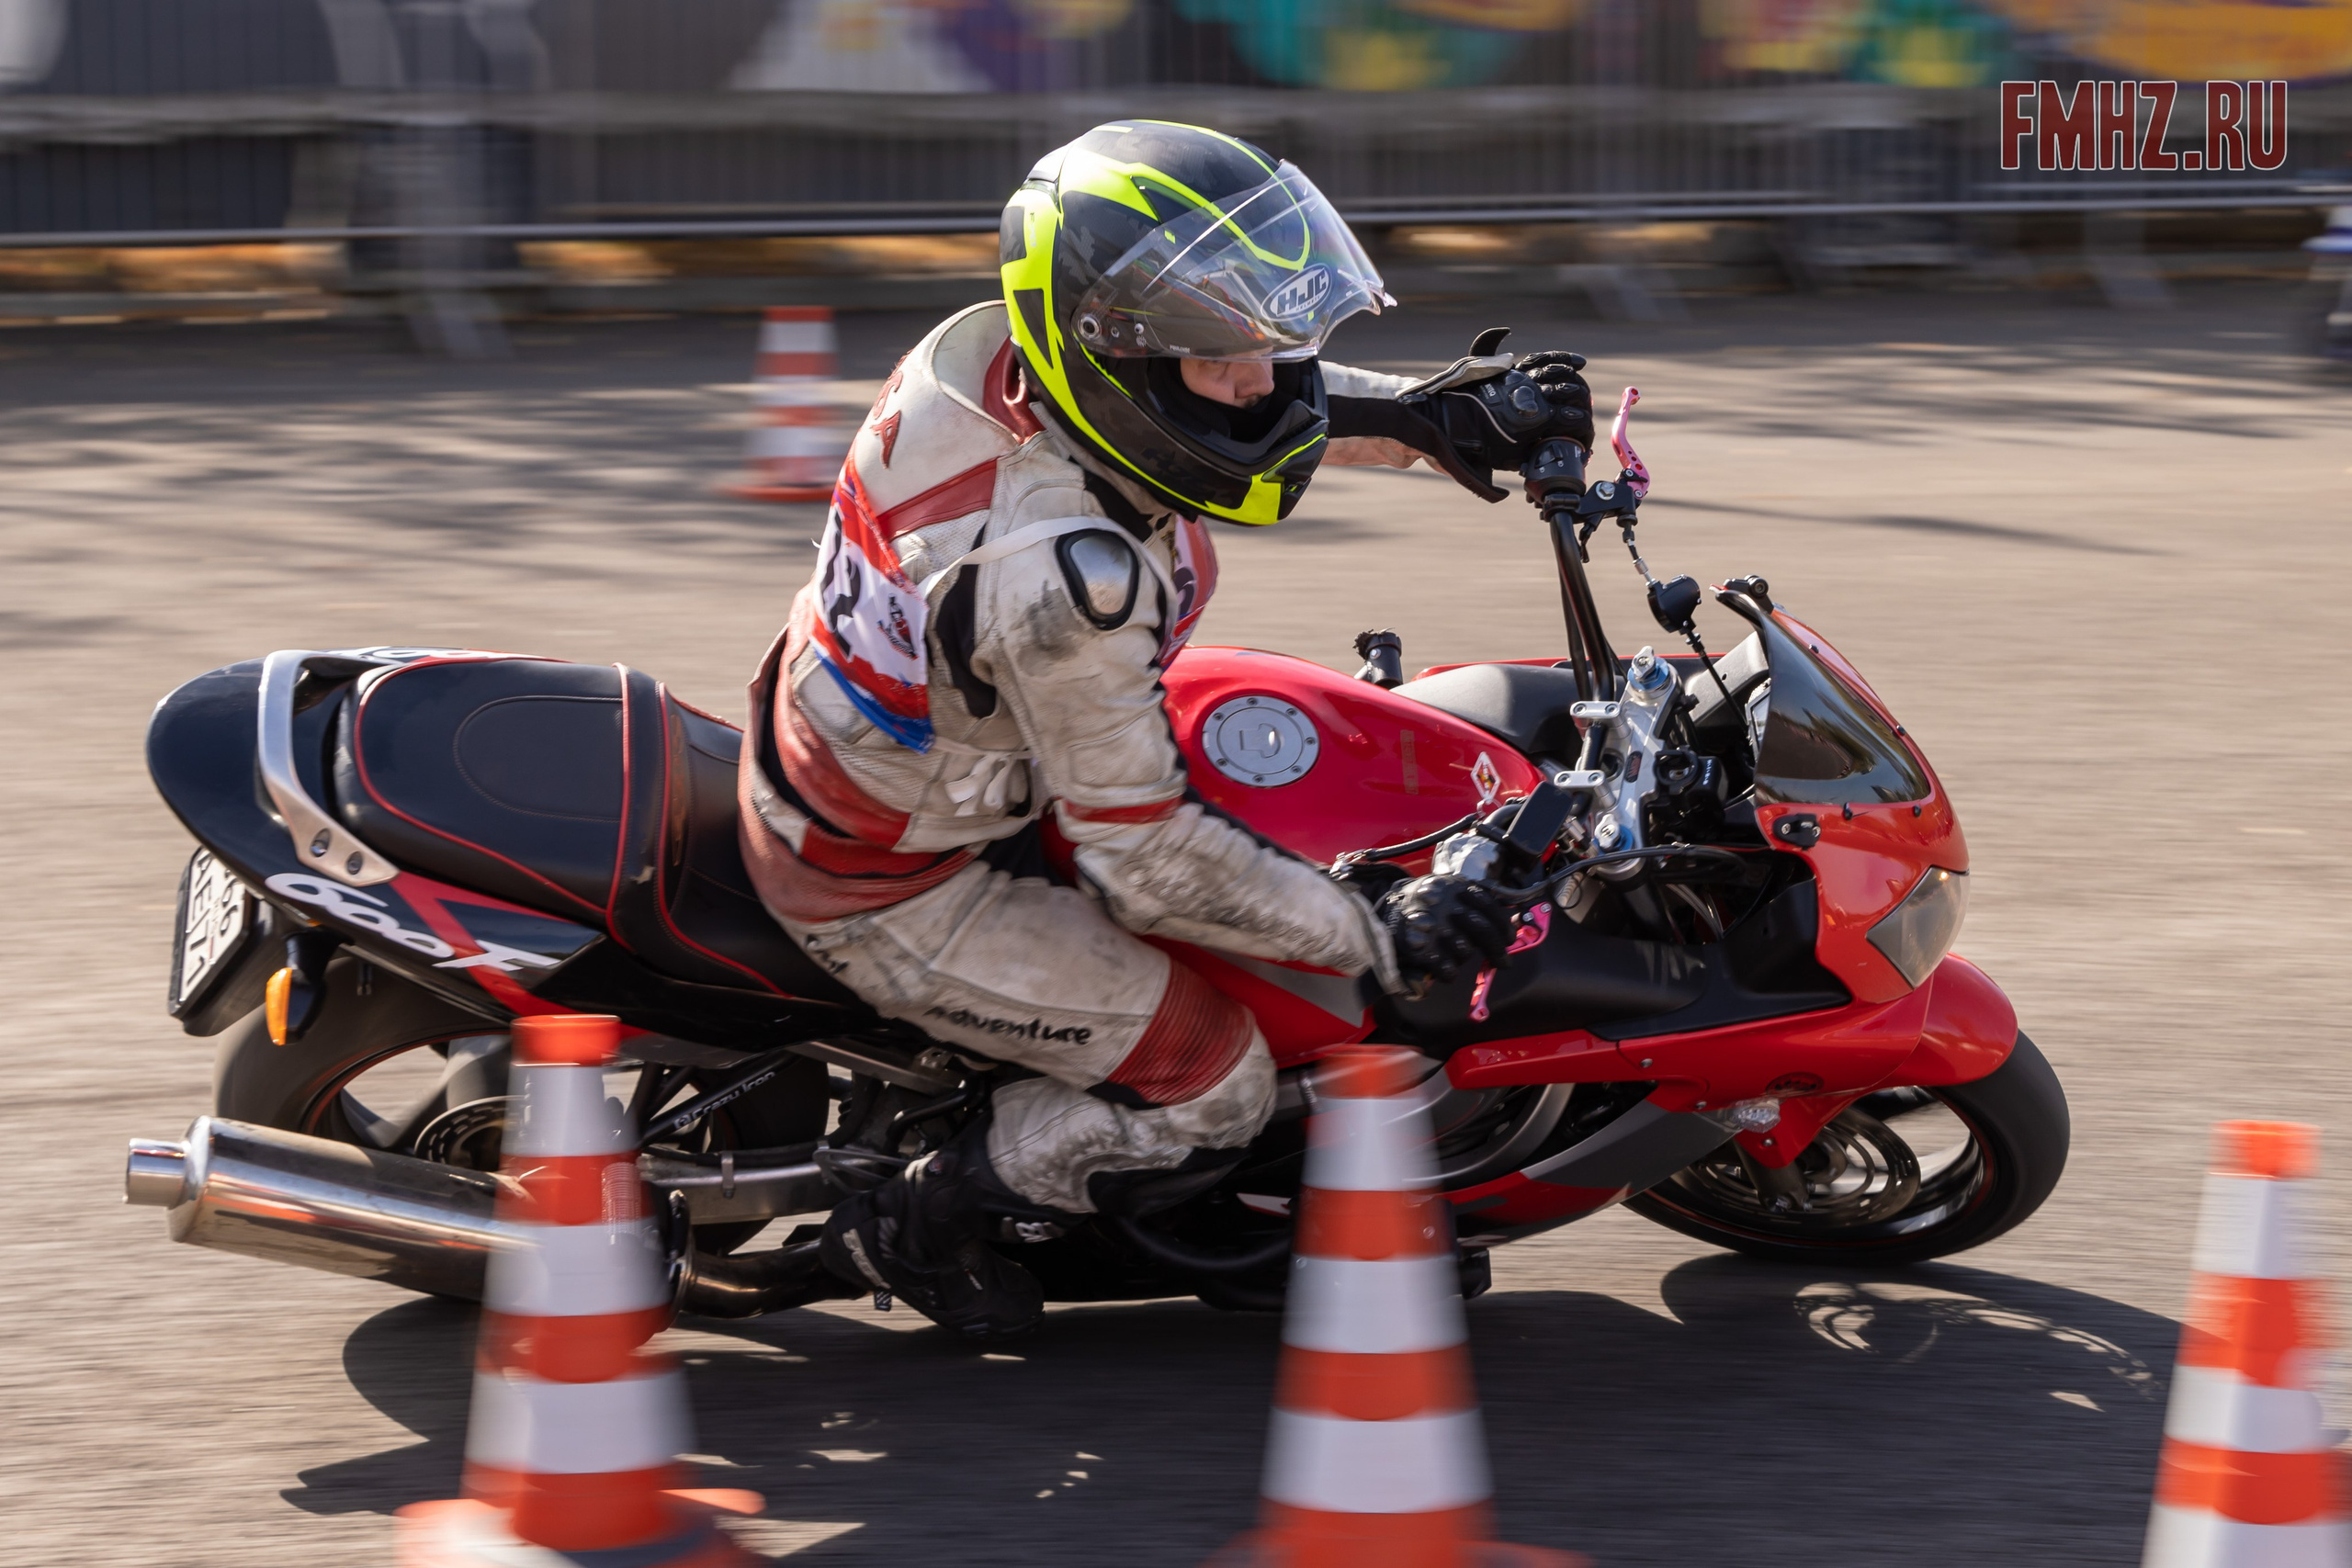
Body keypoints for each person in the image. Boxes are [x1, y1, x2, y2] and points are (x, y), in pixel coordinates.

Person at [736, 119, 1595, 1337]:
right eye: (1222, 350)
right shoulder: (1066, 583)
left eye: (1276, 340)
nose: (1266, 376)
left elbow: (1234, 400)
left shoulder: (992, 357)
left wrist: (1430, 415)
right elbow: (1141, 859)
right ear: (1119, 356)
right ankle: (922, 1220)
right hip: (897, 875)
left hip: (938, 742)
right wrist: (1379, 931)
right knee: (1219, 1078)